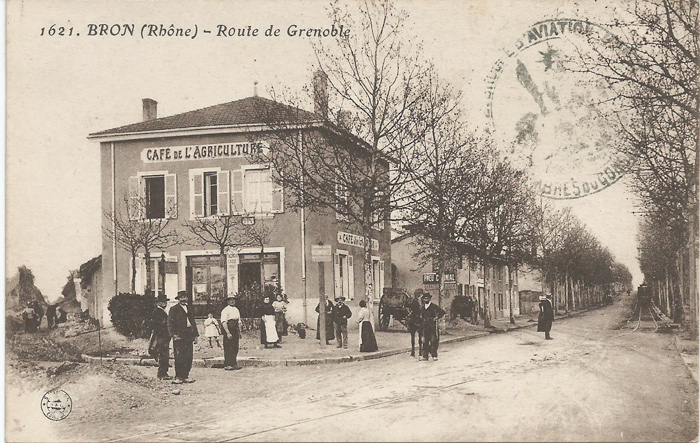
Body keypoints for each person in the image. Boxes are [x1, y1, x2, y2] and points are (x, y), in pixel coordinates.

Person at [167, 291, 199, 384]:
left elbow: (193, 322)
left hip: (189, 334)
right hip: (179, 335)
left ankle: (186, 376)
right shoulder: (174, 309)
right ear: (178, 299)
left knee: (189, 356)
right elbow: (170, 323)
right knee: (179, 356)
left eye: (185, 297)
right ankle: (179, 376)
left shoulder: (189, 308)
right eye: (182, 297)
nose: (184, 299)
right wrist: (173, 334)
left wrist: (196, 335)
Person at [148, 294, 172, 380]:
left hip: (163, 336)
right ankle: (162, 374)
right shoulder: (158, 312)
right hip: (161, 336)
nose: (164, 304)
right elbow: (158, 325)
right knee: (163, 354)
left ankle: (164, 372)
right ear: (159, 303)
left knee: (164, 353)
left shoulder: (161, 311)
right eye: (162, 302)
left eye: (165, 302)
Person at [419, 292, 445, 362]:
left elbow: (442, 312)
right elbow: (421, 315)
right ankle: (425, 356)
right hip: (425, 326)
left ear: (430, 299)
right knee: (425, 341)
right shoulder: (422, 307)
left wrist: (436, 317)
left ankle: (434, 355)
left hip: (432, 326)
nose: (426, 300)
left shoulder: (434, 306)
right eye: (425, 298)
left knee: (433, 341)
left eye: (427, 298)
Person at [220, 295, 242, 370]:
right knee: (228, 347)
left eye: (233, 300)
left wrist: (240, 332)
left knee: (235, 347)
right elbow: (224, 322)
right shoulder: (225, 310)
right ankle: (228, 364)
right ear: (227, 301)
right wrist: (228, 332)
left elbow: (239, 321)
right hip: (229, 329)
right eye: (230, 300)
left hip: (235, 330)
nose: (232, 301)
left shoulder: (236, 310)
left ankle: (234, 363)